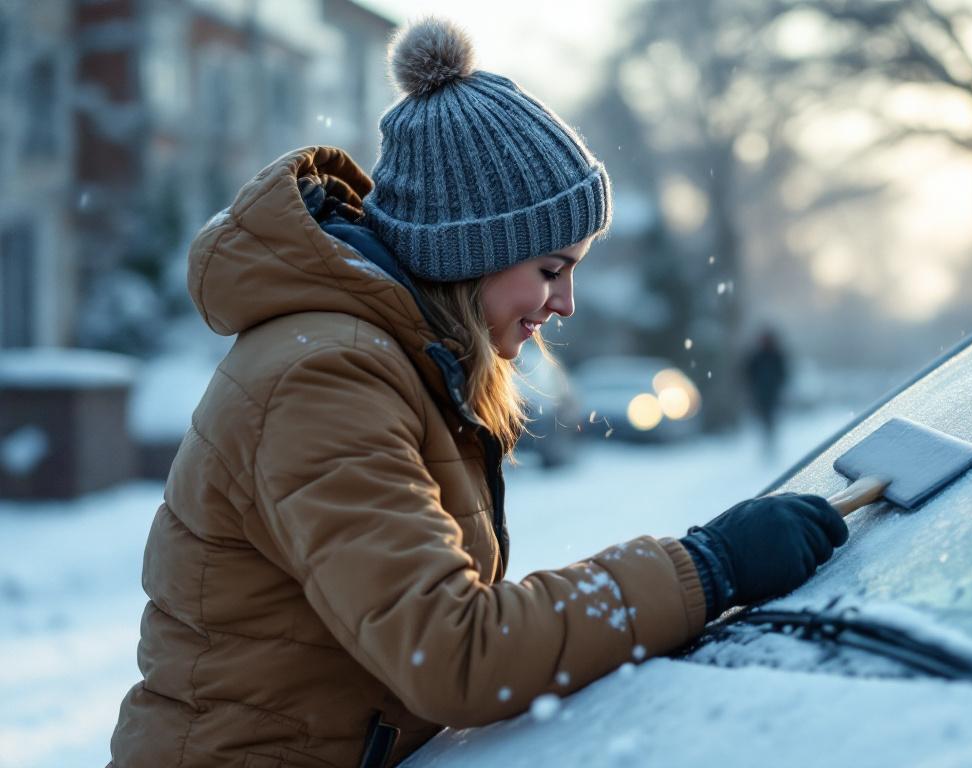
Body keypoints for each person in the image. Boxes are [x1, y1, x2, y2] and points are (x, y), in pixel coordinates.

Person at [109, 18, 848, 768]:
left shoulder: (392, 362)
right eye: (551, 269)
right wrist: (705, 568)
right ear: (470, 253)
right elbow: (452, 652)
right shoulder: (326, 379)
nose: (566, 304)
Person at [743, 327, 791, 459]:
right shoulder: (757, 357)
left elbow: (783, 373)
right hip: (761, 395)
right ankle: (767, 444)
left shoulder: (776, 356)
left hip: (772, 394)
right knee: (765, 420)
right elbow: (748, 373)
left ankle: (770, 444)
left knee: (771, 419)